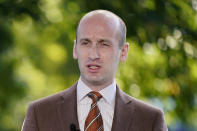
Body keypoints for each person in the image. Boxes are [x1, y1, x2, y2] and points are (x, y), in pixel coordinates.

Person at [22, 10, 168, 131]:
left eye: (104, 44)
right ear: (75, 49)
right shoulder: (40, 113)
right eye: (85, 43)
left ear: (123, 52)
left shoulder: (150, 120)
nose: (93, 55)